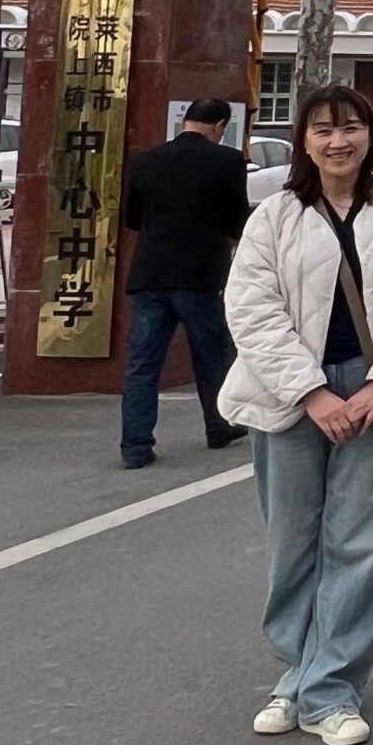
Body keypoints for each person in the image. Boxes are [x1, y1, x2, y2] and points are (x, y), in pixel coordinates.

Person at [220, 85, 373, 745]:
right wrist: (310, 392)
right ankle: (297, 673)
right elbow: (251, 309)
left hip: (372, 392)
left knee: (360, 543)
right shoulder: (275, 215)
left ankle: (332, 689)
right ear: (304, 141)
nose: (338, 141)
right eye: (323, 129)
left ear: (371, 136)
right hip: (290, 397)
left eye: (350, 128)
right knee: (292, 541)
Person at [118, 97, 249, 469]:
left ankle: (135, 446)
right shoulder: (227, 161)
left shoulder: (146, 160)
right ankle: (219, 425)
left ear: (185, 121)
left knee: (143, 364)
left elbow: (133, 218)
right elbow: (236, 219)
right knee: (212, 356)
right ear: (220, 125)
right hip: (199, 276)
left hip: (149, 275)